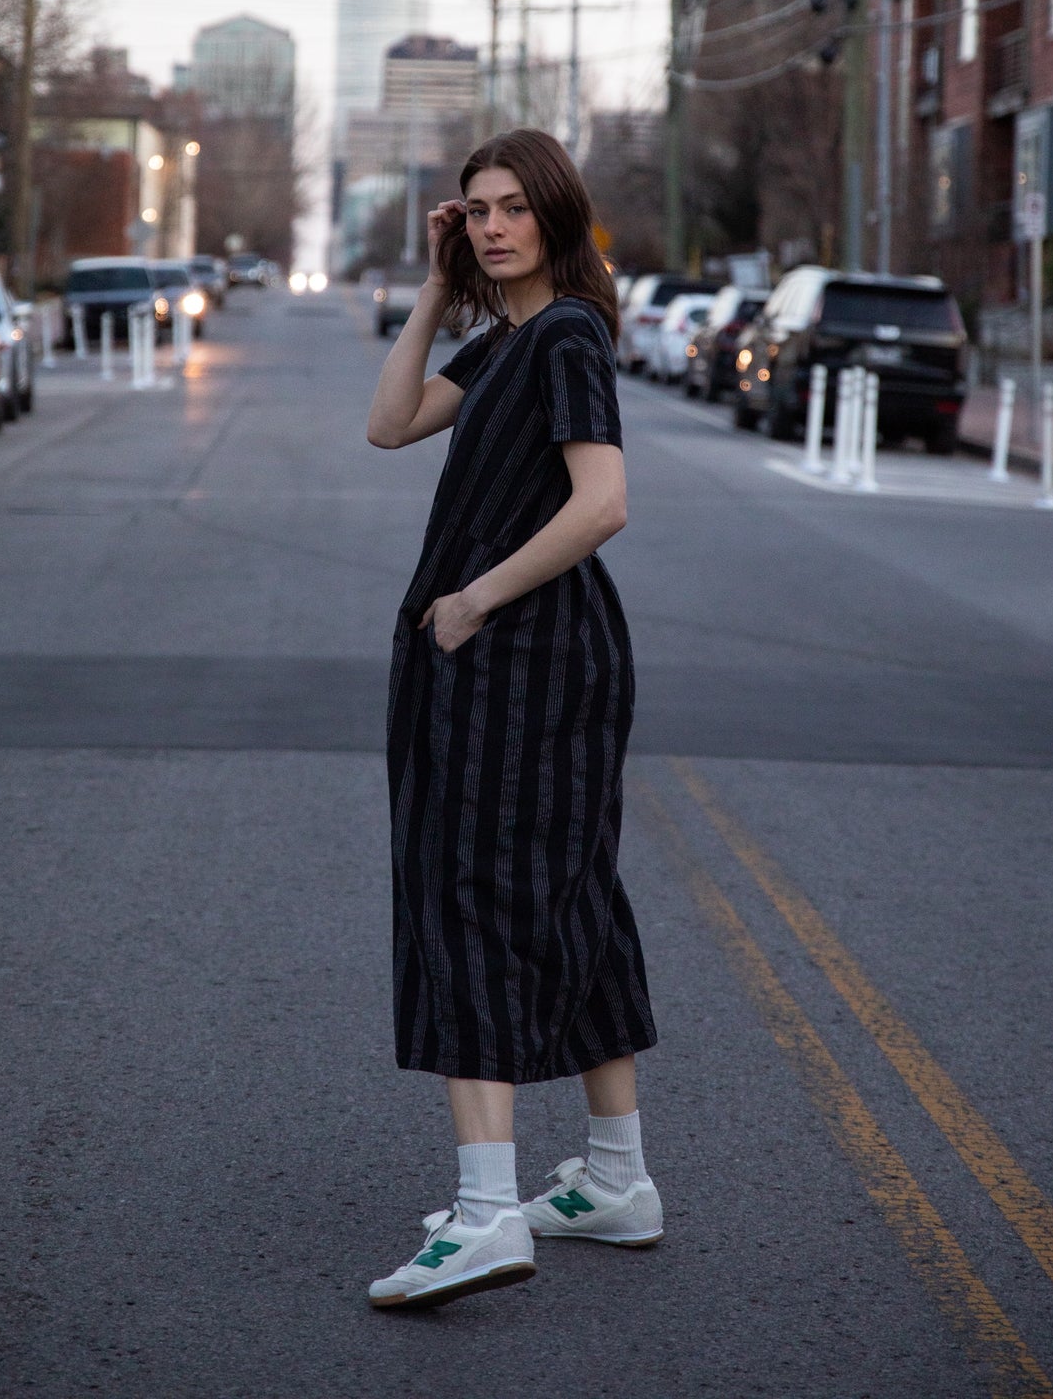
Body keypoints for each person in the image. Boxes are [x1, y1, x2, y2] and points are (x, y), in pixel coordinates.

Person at [365, 127, 659, 1311]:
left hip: (518, 659)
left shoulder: (569, 334)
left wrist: (473, 600)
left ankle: (487, 1213)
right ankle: (615, 1176)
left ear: (554, 214)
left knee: (465, 903)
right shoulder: (508, 342)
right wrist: (436, 292)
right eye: (472, 211)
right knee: (570, 894)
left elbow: (604, 503)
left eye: (510, 208)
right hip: (537, 660)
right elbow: (388, 423)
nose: (490, 226)